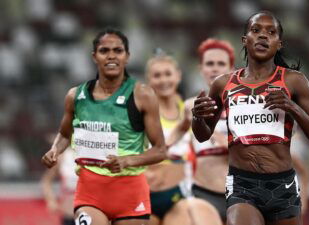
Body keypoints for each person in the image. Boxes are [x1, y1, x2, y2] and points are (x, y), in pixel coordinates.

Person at [191, 11, 309, 225]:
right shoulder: (222, 84)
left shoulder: (294, 81)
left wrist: (292, 107)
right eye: (256, 30)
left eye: (271, 32)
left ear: (279, 43)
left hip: (282, 185)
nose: (263, 36)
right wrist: (197, 117)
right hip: (242, 185)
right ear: (245, 39)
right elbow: (202, 135)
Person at [41, 28, 167, 225]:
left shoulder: (143, 95)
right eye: (104, 50)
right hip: (89, 193)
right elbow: (65, 135)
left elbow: (160, 150)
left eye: (118, 51)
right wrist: (55, 150)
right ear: (94, 56)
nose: (111, 56)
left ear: (127, 56)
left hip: (130, 194)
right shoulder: (75, 96)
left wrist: (126, 161)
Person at [145, 51, 222, 225]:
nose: (164, 80)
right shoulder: (143, 112)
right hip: (147, 190)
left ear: (178, 76)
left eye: (168, 74)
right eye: (157, 75)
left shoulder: (188, 107)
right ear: (149, 79)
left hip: (180, 192)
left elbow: (190, 124)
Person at [167, 38, 236, 223]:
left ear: (232, 69)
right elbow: (178, 130)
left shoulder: (242, 105)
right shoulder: (191, 105)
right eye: (209, 64)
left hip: (240, 194)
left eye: (221, 64)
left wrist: (229, 142)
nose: (214, 68)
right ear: (201, 69)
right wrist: (162, 148)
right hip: (203, 193)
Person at [41, 147, 77, 225]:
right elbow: (46, 180)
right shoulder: (63, 157)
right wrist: (51, 201)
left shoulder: (91, 156)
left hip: (89, 213)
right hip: (69, 214)